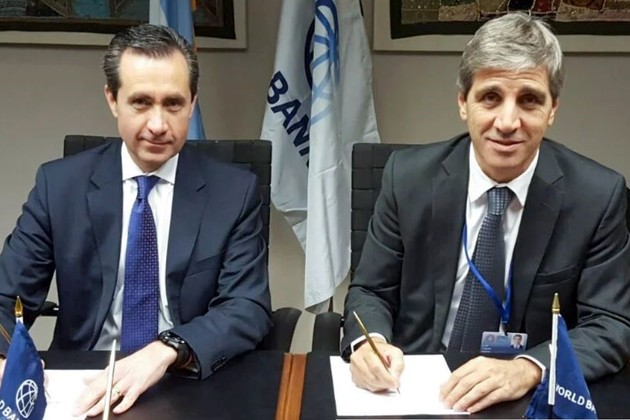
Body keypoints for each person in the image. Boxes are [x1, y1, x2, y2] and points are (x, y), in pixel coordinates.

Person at [342, 12, 630, 413]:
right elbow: (371, 290)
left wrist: (528, 367)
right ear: (464, 103)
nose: (507, 122)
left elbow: (611, 325)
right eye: (490, 97)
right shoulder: (406, 178)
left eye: (529, 100)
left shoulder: (597, 196)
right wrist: (369, 343)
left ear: (552, 109)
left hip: (523, 399)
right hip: (413, 389)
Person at [0, 24, 271, 416]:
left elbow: (247, 307)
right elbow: (6, 296)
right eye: (141, 103)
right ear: (113, 100)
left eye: (173, 104)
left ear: (192, 103)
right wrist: (3, 358)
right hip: (84, 381)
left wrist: (167, 349)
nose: (158, 125)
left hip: (186, 376)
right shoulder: (58, 187)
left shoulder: (234, 192)